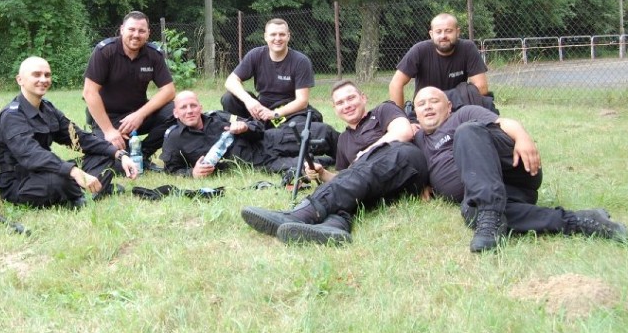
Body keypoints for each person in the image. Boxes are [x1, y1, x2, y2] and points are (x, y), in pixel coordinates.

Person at [412, 86, 628, 253]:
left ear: (448, 106)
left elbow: (503, 122)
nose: (428, 106)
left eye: (434, 101)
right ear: (416, 114)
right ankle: (581, 221)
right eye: (421, 104)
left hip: (513, 170)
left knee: (466, 132)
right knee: (470, 213)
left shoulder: (463, 115)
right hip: (504, 197)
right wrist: (424, 182)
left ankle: (489, 213)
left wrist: (522, 136)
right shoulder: (419, 140)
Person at [240, 80, 429, 245]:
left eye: (350, 98)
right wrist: (322, 174)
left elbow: (404, 132)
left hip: (406, 163)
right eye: (340, 102)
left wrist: (367, 151)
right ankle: (333, 228)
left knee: (363, 171)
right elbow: (347, 179)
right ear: (334, 109)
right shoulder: (344, 141)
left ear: (363, 98)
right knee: (350, 192)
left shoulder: (382, 110)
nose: (346, 105)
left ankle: (302, 214)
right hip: (382, 187)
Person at [0, 57, 136, 209]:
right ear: (20, 80)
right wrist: (73, 171)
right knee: (60, 179)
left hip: (44, 171)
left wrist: (119, 154)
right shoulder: (12, 115)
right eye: (36, 75)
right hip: (19, 182)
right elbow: (31, 154)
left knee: (105, 156)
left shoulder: (48, 109)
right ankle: (88, 193)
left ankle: (83, 193)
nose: (43, 79)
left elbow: (80, 138)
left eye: (47, 75)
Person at [160, 90, 339, 178]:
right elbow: (171, 170)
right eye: (183, 107)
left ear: (200, 107)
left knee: (322, 132)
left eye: (193, 105)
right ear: (176, 113)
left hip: (268, 141)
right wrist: (193, 173)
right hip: (260, 163)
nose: (189, 111)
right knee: (309, 167)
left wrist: (245, 128)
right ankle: (330, 161)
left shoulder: (219, 117)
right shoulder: (174, 139)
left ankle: (355, 156)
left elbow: (258, 127)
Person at [83, 11, 176, 169]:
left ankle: (143, 153)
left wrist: (140, 114)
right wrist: (109, 131)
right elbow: (89, 92)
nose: (136, 35)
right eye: (131, 30)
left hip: (137, 116)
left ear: (148, 33)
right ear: (122, 30)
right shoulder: (105, 51)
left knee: (177, 110)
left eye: (141, 31)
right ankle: (120, 147)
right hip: (108, 119)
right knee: (115, 164)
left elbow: (169, 91)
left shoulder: (154, 54)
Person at [222, 18, 321, 126]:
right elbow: (231, 81)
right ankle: (243, 130)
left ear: (288, 36)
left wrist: (274, 114)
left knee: (292, 125)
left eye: (282, 34)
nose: (277, 38)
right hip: (260, 110)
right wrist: (249, 101)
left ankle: (270, 130)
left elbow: (302, 101)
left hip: (286, 114)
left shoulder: (301, 61)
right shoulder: (255, 55)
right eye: (273, 34)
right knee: (229, 98)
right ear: (266, 37)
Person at [389, 13, 489, 110]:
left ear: (457, 32)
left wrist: (438, 99)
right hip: (427, 110)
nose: (443, 36)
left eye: (448, 31)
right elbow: (396, 84)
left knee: (487, 105)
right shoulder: (419, 50)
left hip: (457, 109)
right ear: (431, 34)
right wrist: (401, 117)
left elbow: (482, 88)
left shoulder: (468, 48)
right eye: (438, 31)